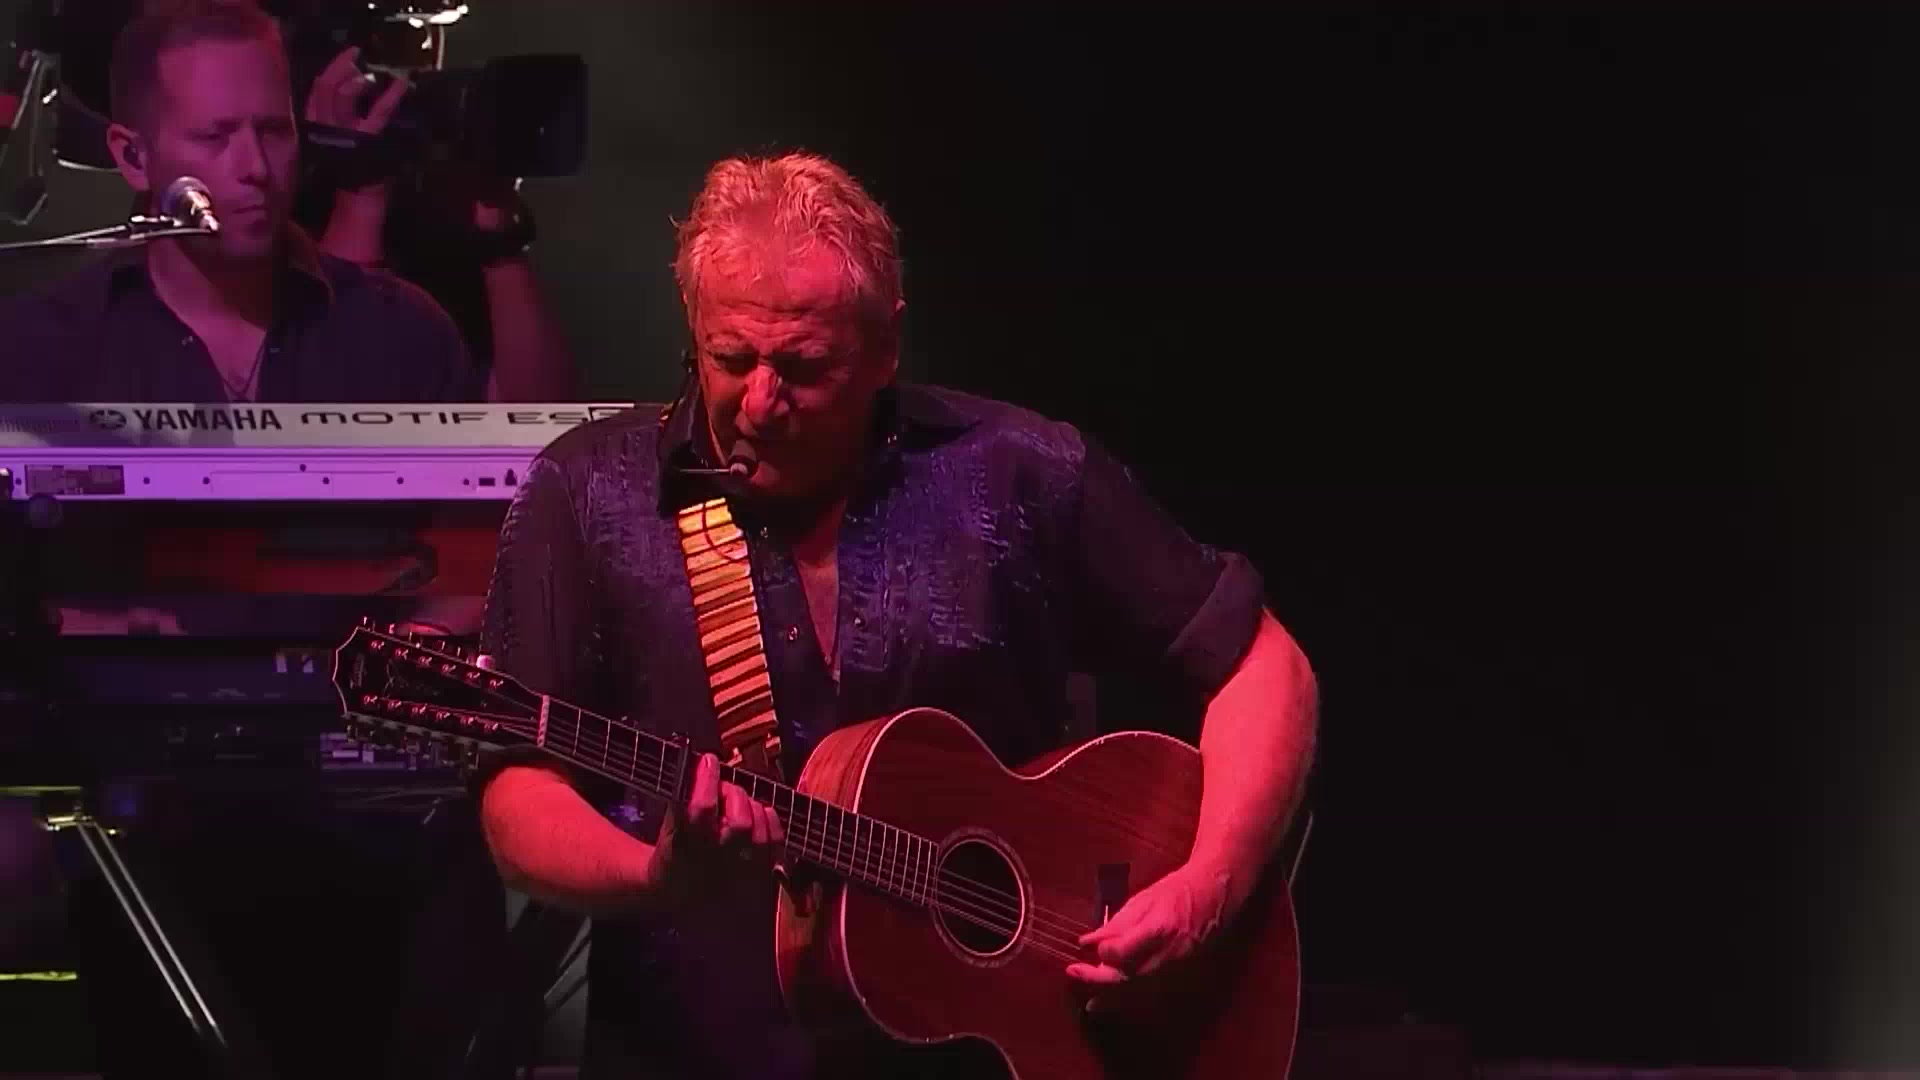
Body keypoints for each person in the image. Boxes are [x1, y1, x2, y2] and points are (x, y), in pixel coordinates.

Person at [474, 151, 1319, 1078]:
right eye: (730, 358)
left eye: (806, 366)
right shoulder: (588, 491)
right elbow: (517, 791)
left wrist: (1208, 888)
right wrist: (654, 877)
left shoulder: (1020, 470)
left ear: (886, 347)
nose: (762, 402)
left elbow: (1263, 665)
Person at [0, 0, 478, 403]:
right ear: (133, 157)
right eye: (215, 136)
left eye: (274, 131)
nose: (256, 167)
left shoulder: (404, 334)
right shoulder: (42, 347)